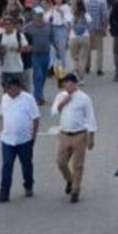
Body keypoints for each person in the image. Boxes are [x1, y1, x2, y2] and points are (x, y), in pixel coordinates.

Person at [51, 72, 97, 203]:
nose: (68, 85)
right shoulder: (61, 96)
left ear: (75, 83)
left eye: (71, 82)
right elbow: (54, 112)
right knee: (61, 162)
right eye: (66, 82)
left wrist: (91, 137)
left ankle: (76, 189)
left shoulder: (84, 98)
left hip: (79, 134)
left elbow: (90, 117)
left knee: (78, 165)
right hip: (65, 134)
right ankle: (69, 180)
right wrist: (63, 103)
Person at [0, 76, 40, 202]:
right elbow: (2, 115)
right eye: (6, 88)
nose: (8, 90)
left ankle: (28, 184)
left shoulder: (28, 99)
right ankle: (4, 192)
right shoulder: (4, 98)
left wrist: (33, 137)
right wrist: (4, 130)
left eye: (10, 87)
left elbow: (35, 118)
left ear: (17, 87)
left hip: (24, 139)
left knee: (26, 164)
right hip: (8, 139)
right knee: (7, 165)